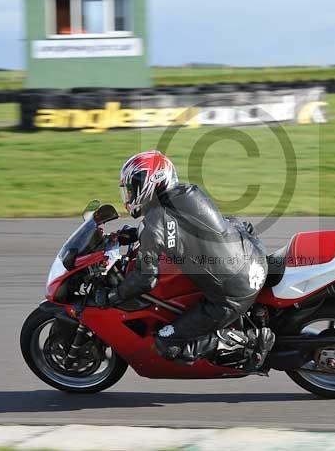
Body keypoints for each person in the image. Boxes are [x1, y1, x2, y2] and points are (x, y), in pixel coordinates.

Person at [97, 150, 274, 369]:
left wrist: (112, 295)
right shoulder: (187, 192)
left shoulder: (156, 222)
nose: (130, 195)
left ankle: (251, 341)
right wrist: (134, 234)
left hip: (231, 294)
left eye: (133, 187)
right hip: (252, 255)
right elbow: (180, 228)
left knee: (165, 343)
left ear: (151, 181)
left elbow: (145, 279)